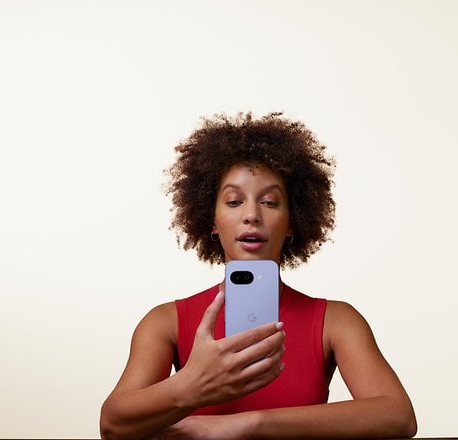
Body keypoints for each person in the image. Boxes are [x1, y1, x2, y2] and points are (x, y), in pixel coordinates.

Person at [100, 112, 417, 439]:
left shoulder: (336, 321)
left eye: (269, 201)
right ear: (212, 220)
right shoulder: (165, 322)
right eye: (234, 201)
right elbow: (112, 426)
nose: (251, 215)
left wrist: (247, 424)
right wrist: (190, 385)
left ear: (292, 222)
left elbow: (398, 416)